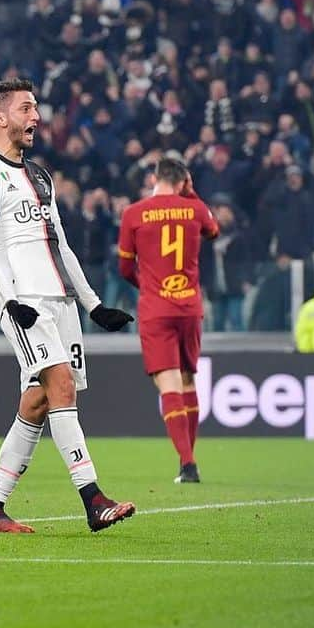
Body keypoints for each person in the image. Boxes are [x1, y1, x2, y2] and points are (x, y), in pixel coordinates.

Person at [0, 79, 136, 534]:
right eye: (26, 108)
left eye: (35, 108)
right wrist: (13, 300)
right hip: (23, 299)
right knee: (60, 385)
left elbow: (63, 246)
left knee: (37, 402)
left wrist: (93, 304)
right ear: (0, 117)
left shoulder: (40, 175)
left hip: (59, 297)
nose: (36, 116)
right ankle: (93, 500)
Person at [118, 158, 220, 484]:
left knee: (168, 385)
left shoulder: (134, 214)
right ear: (183, 182)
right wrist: (191, 195)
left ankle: (187, 464)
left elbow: (123, 269)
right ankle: (189, 462)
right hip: (189, 307)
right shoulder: (195, 209)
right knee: (188, 380)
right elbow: (214, 231)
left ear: (154, 178)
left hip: (156, 309)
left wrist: (148, 286)